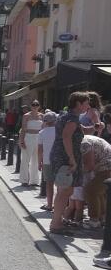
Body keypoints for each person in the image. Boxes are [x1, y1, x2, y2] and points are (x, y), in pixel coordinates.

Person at [49, 91, 96, 234]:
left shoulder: (67, 116)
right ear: (78, 104)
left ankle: (56, 221)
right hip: (65, 158)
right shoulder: (72, 118)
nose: (88, 106)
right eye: (86, 103)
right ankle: (56, 224)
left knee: (64, 190)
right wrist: (71, 158)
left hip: (61, 157)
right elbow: (66, 136)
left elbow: (82, 131)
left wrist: (95, 127)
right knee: (65, 191)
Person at [80, 135, 111, 229]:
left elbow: (89, 166)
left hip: (107, 166)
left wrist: (77, 171)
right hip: (105, 165)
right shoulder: (86, 139)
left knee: (90, 191)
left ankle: (94, 220)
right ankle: (103, 218)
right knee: (98, 192)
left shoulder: (84, 143)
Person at [19, 100, 43, 186]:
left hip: (38, 138)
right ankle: (24, 180)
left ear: (39, 106)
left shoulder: (42, 116)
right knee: (25, 159)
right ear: (31, 106)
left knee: (36, 160)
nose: (35, 106)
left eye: (37, 104)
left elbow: (44, 128)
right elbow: (23, 129)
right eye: (33, 104)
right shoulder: (26, 116)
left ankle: (34, 181)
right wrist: (22, 141)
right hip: (28, 137)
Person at [37, 112, 57, 212]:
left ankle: (49, 204)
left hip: (47, 160)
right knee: (61, 184)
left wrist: (39, 162)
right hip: (59, 161)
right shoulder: (60, 131)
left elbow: (40, 150)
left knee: (49, 183)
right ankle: (59, 205)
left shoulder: (42, 133)